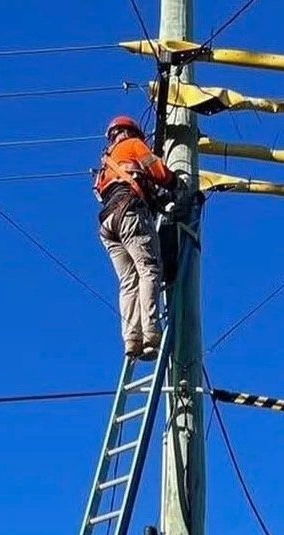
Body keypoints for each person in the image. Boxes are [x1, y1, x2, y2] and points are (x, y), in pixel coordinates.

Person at [94, 115, 180, 361]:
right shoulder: (133, 145)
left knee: (128, 281)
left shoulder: (106, 163)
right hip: (130, 213)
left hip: (108, 224)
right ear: (132, 132)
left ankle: (132, 339)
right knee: (149, 269)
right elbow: (159, 171)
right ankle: (151, 333)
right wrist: (177, 183)